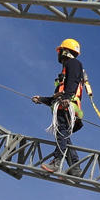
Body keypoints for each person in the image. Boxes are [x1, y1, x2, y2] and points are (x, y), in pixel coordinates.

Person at [33, 37, 87, 175]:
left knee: (61, 132)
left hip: (68, 107)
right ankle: (75, 168)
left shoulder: (73, 63)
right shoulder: (67, 69)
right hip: (65, 105)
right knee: (64, 136)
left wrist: (67, 98)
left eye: (60, 51)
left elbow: (73, 82)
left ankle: (57, 161)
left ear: (64, 51)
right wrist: (41, 100)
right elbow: (56, 98)